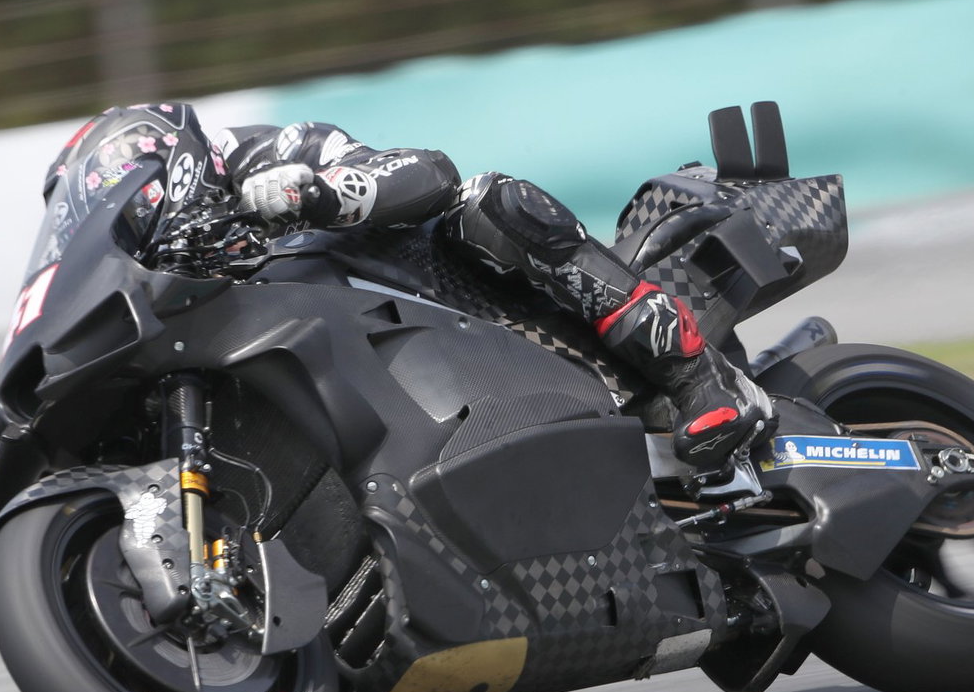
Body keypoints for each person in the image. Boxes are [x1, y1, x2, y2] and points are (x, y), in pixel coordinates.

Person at [49, 104, 774, 468]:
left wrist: (314, 197)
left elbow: (427, 172)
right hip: (385, 410)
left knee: (490, 201)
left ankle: (696, 378)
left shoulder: (269, 153)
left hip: (460, 307)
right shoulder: (175, 291)